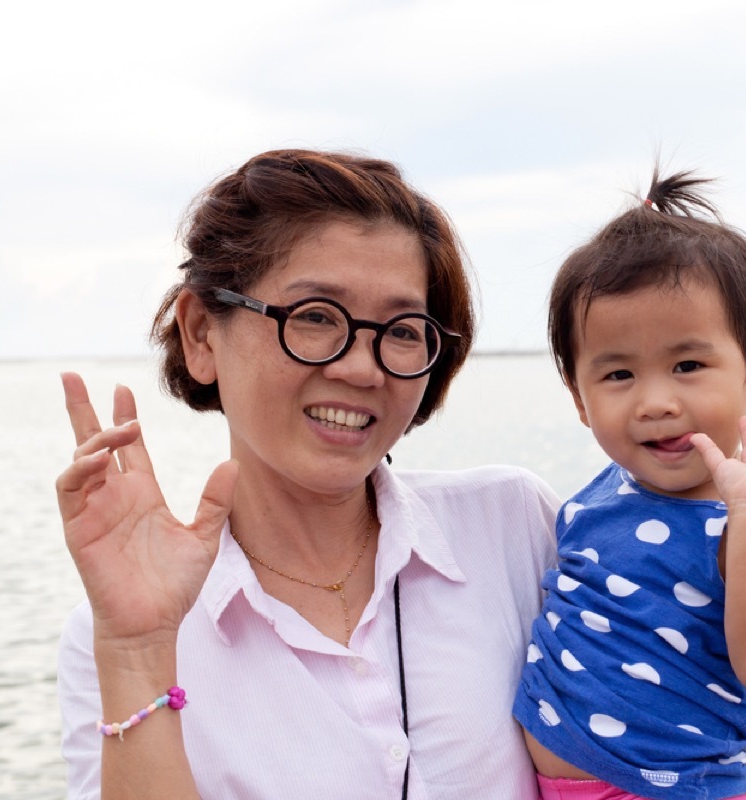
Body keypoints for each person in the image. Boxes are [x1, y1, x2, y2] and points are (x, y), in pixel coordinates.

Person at [55, 149, 560, 799]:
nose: (362, 369)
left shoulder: (514, 526)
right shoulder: (119, 635)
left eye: (403, 330)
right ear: (202, 333)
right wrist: (138, 652)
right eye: (316, 316)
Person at [513, 169, 746, 800]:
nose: (655, 402)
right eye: (618, 375)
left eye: (688, 365)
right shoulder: (601, 495)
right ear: (579, 398)